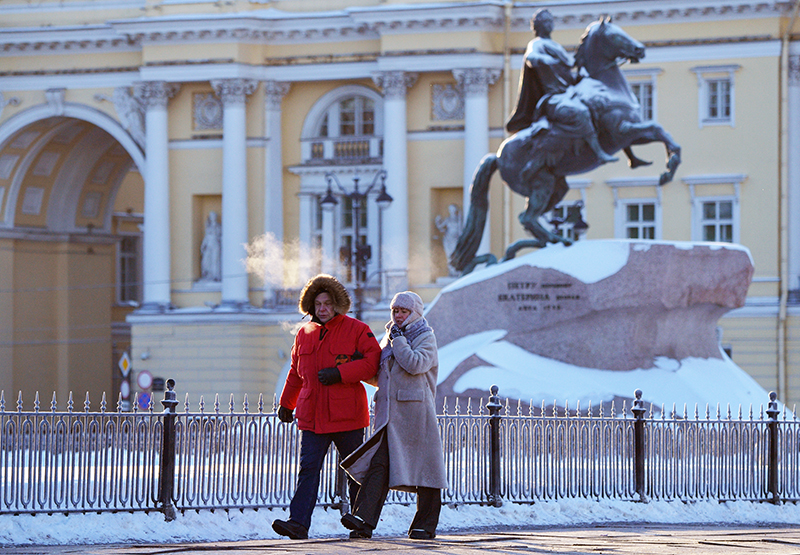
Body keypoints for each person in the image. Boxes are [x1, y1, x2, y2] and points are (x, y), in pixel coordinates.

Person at [272, 274, 381, 540]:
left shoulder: (357, 329)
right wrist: (287, 403)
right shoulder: (304, 334)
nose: (323, 309)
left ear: (337, 305)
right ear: (311, 306)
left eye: (328, 303)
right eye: (318, 304)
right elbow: (296, 373)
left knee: (357, 470)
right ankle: (298, 523)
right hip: (313, 417)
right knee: (308, 470)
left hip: (347, 416)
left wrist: (340, 373)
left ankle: (363, 522)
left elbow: (373, 363)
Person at [339, 291, 448, 540]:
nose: (398, 316)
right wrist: (359, 365)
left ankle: (425, 525)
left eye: (403, 311)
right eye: (395, 311)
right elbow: (380, 376)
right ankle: (363, 520)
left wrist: (398, 341)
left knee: (426, 470)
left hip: (416, 415)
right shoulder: (391, 338)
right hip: (391, 417)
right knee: (379, 466)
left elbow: (415, 364)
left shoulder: (425, 337)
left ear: (415, 313)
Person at [505, 8, 618, 164]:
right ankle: (598, 152)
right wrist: (544, 59)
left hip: (568, 93)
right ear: (538, 26)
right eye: (546, 21)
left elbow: (567, 74)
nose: (550, 24)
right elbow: (530, 57)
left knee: (598, 102)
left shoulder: (555, 46)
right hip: (553, 99)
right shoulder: (537, 44)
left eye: (550, 21)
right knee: (581, 113)